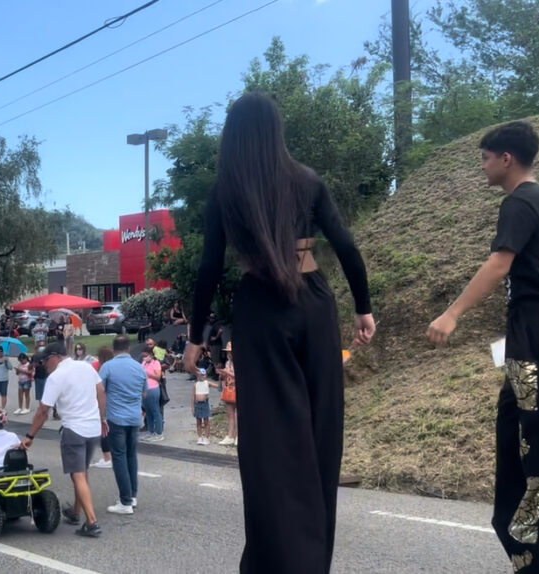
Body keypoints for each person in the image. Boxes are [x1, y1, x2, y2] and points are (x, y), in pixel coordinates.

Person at [184, 92, 375, 573]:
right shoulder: (308, 180)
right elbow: (347, 247)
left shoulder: (227, 189)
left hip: (261, 309)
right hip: (314, 303)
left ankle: (273, 561)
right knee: (320, 434)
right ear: (276, 130)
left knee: (270, 441)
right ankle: (313, 560)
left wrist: (194, 334)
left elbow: (208, 269)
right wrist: (364, 309)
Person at [426, 121, 539, 572]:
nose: (481, 166)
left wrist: (451, 314)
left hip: (538, 331)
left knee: (534, 438)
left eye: (484, 157)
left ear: (506, 159)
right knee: (531, 428)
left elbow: (499, 264)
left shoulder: (520, 202)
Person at [21, 343, 108, 538]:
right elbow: (101, 392)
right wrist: (102, 418)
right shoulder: (86, 367)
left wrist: (30, 436)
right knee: (82, 473)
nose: (44, 364)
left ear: (55, 357)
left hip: (74, 430)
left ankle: (92, 522)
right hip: (93, 428)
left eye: (44, 360)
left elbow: (43, 410)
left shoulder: (56, 377)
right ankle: (76, 512)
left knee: (78, 475)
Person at [97, 336, 145, 514]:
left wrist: (101, 415)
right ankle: (132, 496)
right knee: (132, 456)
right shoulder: (138, 367)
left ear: (114, 348)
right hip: (134, 418)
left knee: (118, 457)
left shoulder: (108, 367)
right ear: (128, 348)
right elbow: (144, 392)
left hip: (115, 417)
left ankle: (124, 501)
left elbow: (99, 390)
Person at [90, 346, 115, 470]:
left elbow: (100, 388)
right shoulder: (115, 367)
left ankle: (107, 458)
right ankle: (112, 456)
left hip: (105, 402)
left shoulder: (103, 369)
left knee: (104, 431)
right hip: (116, 403)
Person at [139, 349, 164, 442]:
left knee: (155, 411)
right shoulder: (144, 363)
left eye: (146, 355)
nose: (144, 357)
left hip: (153, 389)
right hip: (145, 389)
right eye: (143, 356)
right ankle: (150, 431)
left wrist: (148, 373)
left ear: (150, 355)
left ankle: (159, 432)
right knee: (148, 412)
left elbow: (158, 376)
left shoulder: (156, 363)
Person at [218, 342, 238, 446]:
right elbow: (227, 376)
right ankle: (230, 436)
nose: (229, 354)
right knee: (230, 414)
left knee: (237, 414)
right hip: (229, 388)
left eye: (230, 352)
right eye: (228, 352)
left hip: (237, 389)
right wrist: (222, 375)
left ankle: (238, 436)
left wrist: (228, 373)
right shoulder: (227, 363)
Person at [192, 368, 219, 446]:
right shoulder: (195, 384)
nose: (202, 376)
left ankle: (206, 437)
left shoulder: (207, 383)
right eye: (200, 375)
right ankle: (200, 437)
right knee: (198, 422)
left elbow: (218, 386)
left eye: (203, 375)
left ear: (205, 375)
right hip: (197, 404)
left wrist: (220, 379)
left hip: (205, 403)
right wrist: (192, 407)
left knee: (206, 421)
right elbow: (193, 396)